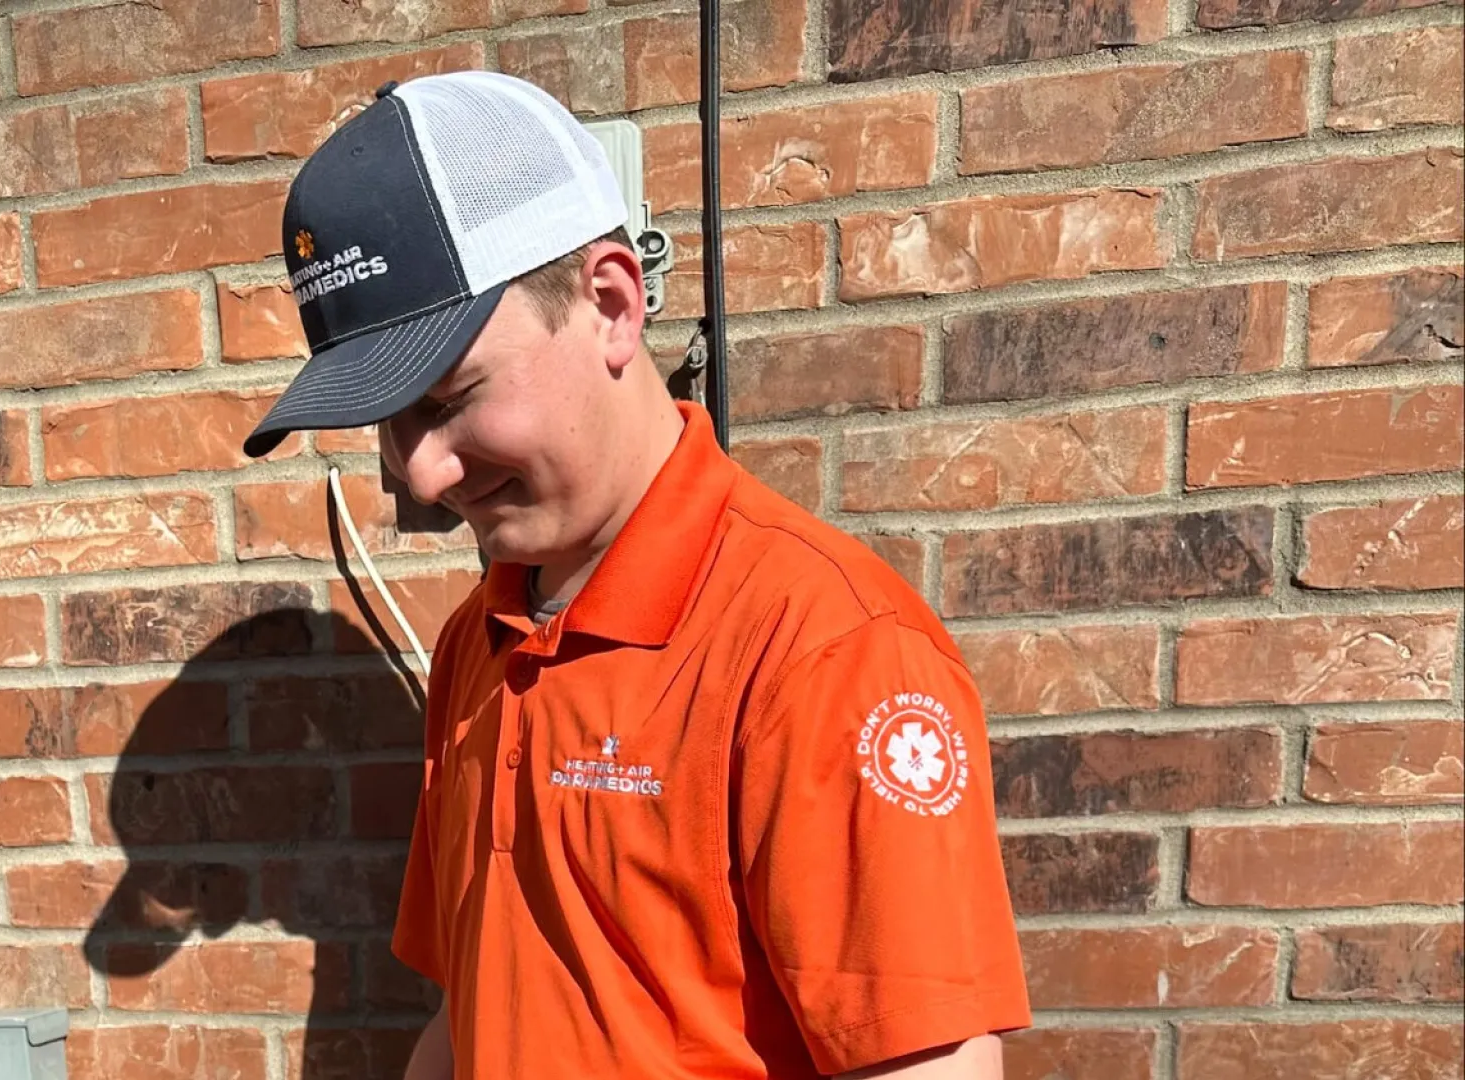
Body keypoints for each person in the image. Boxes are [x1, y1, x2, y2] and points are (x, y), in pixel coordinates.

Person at [242, 71, 1031, 1080]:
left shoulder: (824, 650)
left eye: (448, 398)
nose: (421, 474)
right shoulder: (477, 643)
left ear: (612, 304)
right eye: (387, 422)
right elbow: (466, 1011)